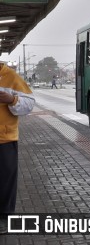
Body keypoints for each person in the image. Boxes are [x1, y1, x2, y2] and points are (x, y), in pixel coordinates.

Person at [0, 61, 36, 219]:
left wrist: (12, 100)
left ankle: (4, 216)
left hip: (4, 139)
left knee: (5, 181)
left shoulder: (11, 77)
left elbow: (29, 104)